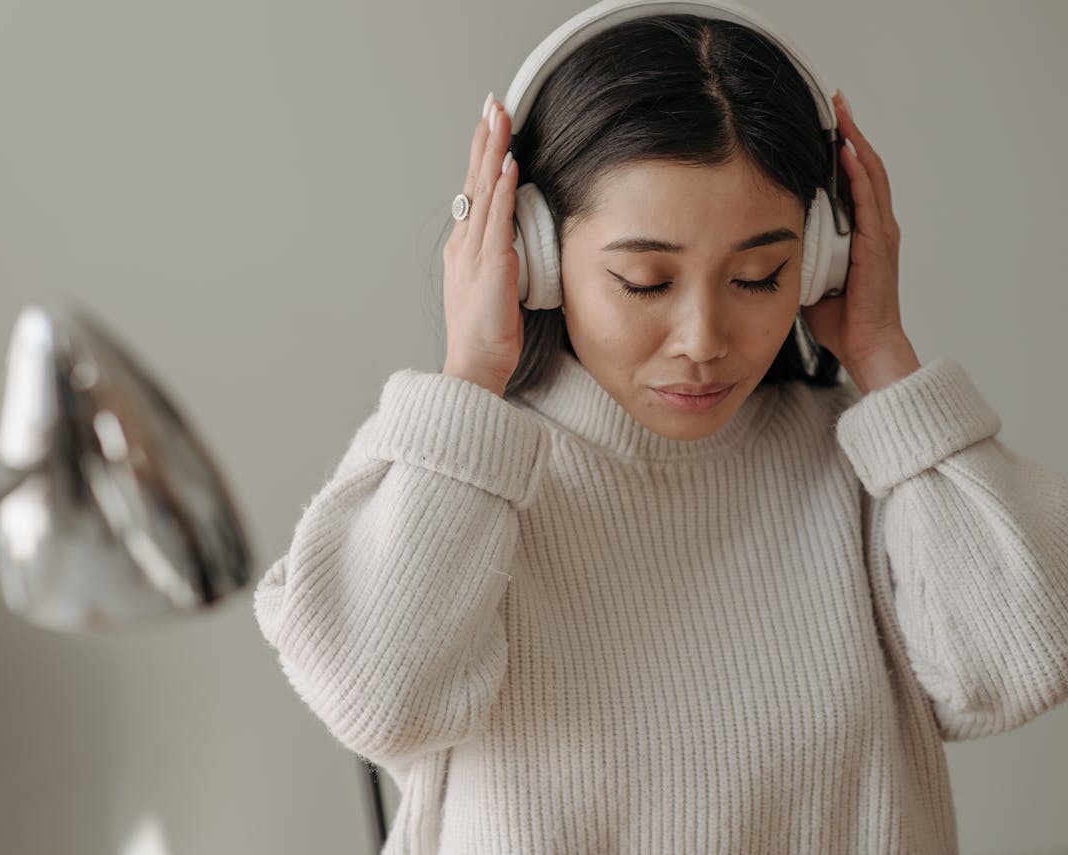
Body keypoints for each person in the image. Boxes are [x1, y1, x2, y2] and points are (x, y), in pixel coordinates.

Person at [253, 5, 1068, 853]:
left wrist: (882, 352)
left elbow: (1020, 664)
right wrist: (470, 376)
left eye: (759, 276)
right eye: (644, 280)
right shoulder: (445, 485)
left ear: (825, 255)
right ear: (530, 254)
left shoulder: (872, 473)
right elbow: (376, 702)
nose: (704, 341)